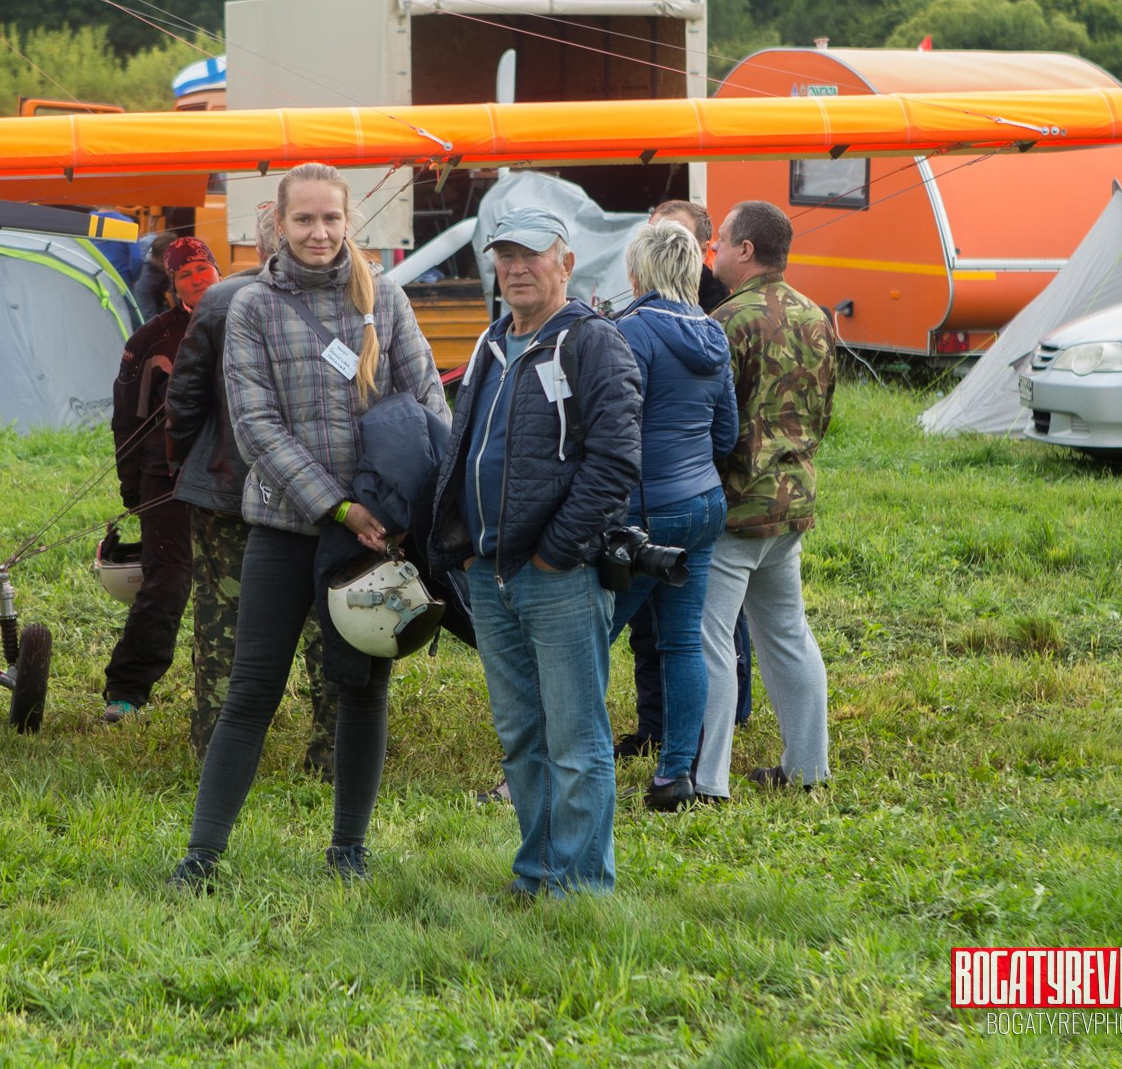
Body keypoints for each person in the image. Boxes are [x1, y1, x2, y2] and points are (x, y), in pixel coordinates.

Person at [170, 163, 444, 888]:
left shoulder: (385, 297)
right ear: (279, 224)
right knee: (250, 691)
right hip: (286, 528)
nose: (319, 232)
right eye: (304, 220)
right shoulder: (252, 307)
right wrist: (337, 506)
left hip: (377, 539)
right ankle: (203, 856)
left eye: (330, 218)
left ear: (348, 221)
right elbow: (256, 427)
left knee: (362, 688)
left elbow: (428, 404)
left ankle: (349, 851)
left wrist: (396, 508)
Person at [429, 206, 641, 897]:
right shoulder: (493, 342)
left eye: (532, 255)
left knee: (575, 740)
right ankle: (540, 873)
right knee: (522, 735)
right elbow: (464, 448)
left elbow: (614, 462)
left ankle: (582, 887)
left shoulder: (593, 343)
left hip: (557, 576)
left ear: (566, 263)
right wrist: (463, 549)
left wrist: (555, 552)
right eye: (505, 256)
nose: (517, 268)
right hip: (488, 574)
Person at [166, 206, 338, 775]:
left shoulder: (218, 301)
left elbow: (183, 400)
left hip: (229, 489)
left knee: (223, 625)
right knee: (331, 621)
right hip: (323, 491)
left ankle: (215, 752)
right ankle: (333, 752)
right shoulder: (352, 296)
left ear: (258, 247)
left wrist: (189, 461)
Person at [696, 200, 836, 799]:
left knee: (710, 641)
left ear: (745, 250)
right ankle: (808, 768)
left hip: (736, 508)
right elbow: (823, 414)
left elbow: (710, 422)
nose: (714, 252)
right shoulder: (817, 316)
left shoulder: (727, 321)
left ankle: (708, 781)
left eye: (721, 242)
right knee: (787, 635)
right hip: (791, 503)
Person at [612, 201, 752, 762]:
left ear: (637, 273)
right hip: (704, 505)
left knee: (588, 638)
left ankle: (563, 758)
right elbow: (726, 434)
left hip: (647, 509)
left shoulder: (629, 332)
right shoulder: (713, 333)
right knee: (683, 641)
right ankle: (676, 772)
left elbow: (615, 430)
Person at [101, 237, 221, 723]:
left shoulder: (247, 321)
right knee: (167, 583)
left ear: (218, 272)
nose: (197, 279)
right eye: (185, 274)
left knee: (235, 586)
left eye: (204, 268)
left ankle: (227, 692)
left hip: (231, 475)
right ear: (171, 286)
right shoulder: (148, 340)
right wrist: (132, 490)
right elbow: (126, 421)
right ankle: (126, 691)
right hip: (164, 475)